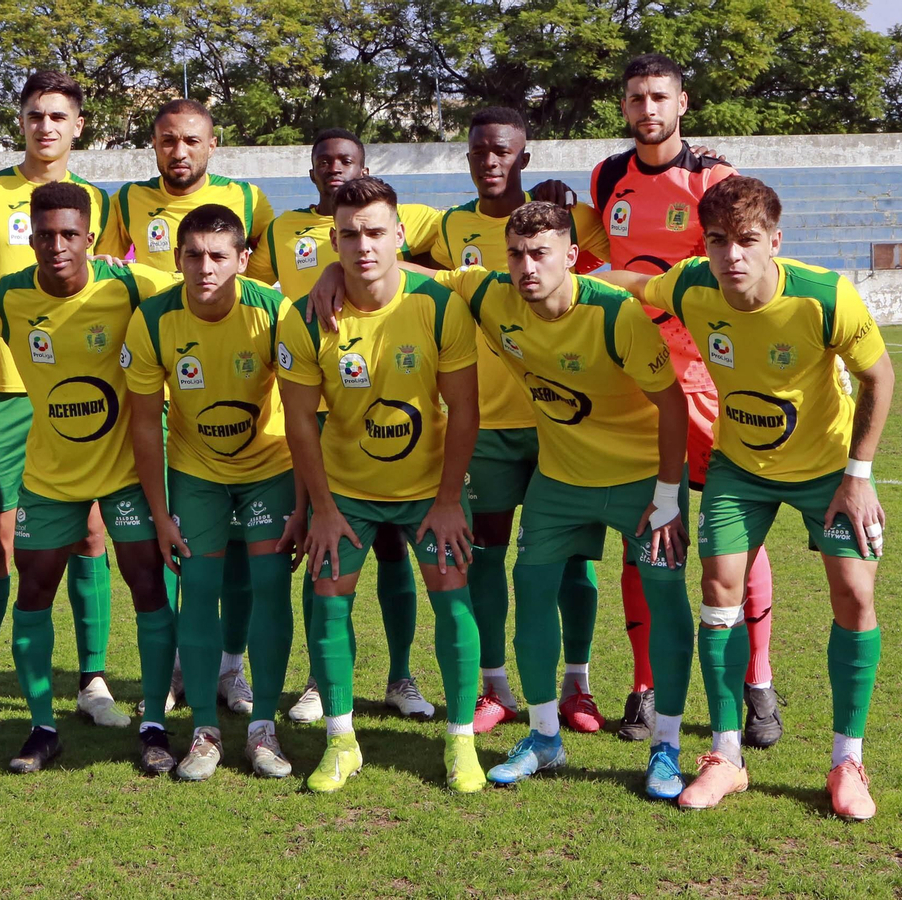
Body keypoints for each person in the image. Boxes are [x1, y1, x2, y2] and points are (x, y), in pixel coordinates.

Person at [607, 176, 894, 819]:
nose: (732, 256)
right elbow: (629, 282)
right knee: (718, 591)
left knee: (855, 594)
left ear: (774, 241)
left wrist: (858, 474)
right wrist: (555, 277)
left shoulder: (824, 296)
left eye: (747, 240)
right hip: (740, 468)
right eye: (717, 241)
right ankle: (727, 755)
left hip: (829, 472)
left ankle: (847, 760)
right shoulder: (691, 286)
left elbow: (880, 376)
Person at [405, 202, 697, 796]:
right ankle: (543, 736)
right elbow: (415, 274)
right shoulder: (492, 297)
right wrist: (334, 271)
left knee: (666, 602)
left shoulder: (614, 313)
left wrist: (669, 494)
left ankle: (666, 744)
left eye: (540, 254)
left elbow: (673, 405)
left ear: (570, 256)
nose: (526, 266)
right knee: (531, 591)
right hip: (560, 482)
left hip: (643, 485)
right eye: (516, 254)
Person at [546, 52, 784, 749]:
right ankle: (646, 685)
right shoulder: (608, 177)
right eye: (635, 98)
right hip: (632, 376)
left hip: (709, 376)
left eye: (659, 97)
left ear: (683, 103)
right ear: (623, 107)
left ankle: (759, 680)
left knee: (732, 526)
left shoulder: (714, 176)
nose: (647, 109)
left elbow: (730, 270)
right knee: (642, 530)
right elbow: (587, 255)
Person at [0, 182, 184, 775]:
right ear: (28, 239)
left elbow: (211, 284)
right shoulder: (8, 295)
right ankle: (41, 727)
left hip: (126, 473)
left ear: (91, 237)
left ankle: (156, 725)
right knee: (32, 590)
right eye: (44, 236)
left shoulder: (133, 284)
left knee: (147, 585)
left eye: (69, 235)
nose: (56, 246)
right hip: (50, 476)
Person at [276, 177, 487, 794]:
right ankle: (341, 740)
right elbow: (298, 421)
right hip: (344, 489)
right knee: (328, 600)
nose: (362, 245)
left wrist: (449, 500)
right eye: (348, 234)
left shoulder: (439, 305)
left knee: (453, 601)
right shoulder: (305, 316)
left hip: (428, 488)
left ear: (399, 235)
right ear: (333, 242)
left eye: (374, 232)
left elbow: (465, 412)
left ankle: (460, 741)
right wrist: (320, 507)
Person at [0, 71, 125, 730]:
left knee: (91, 530)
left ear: (78, 126)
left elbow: (118, 284)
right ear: (21, 121)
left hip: (88, 395)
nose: (46, 127)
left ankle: (93, 679)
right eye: (35, 115)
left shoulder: (100, 200)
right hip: (6, 391)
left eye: (58, 116)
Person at [413, 107, 604, 737]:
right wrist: (338, 266)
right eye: (477, 153)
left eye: (500, 152)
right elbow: (416, 270)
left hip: (563, 426)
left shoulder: (568, 219)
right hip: (488, 428)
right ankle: (494, 686)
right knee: (486, 556)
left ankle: (577, 685)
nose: (488, 162)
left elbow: (616, 259)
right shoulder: (448, 226)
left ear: (524, 157)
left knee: (574, 561)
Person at [245, 127, 443, 723]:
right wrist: (324, 273)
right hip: (319, 393)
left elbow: (447, 261)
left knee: (391, 550)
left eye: (346, 161)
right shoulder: (281, 228)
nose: (334, 168)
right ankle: (318, 679)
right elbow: (254, 285)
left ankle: (401, 676)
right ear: (309, 172)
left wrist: (340, 268)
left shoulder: (406, 217)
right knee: (322, 539)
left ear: (363, 167)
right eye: (323, 161)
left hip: (387, 394)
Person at [103, 98, 277, 716]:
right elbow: (105, 271)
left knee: (252, 571)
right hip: (182, 420)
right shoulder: (126, 207)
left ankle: (237, 678)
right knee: (193, 567)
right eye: (167, 140)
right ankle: (190, 672)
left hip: (258, 440)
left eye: (192, 140)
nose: (179, 151)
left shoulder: (253, 210)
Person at [125, 204, 299, 780]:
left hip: (268, 468)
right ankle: (203, 730)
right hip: (196, 473)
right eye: (193, 255)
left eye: (219, 255)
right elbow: (146, 425)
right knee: (197, 589)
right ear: (176, 258)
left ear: (243, 260)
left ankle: (262, 728)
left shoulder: (275, 312)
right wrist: (159, 510)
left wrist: (304, 500)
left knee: (271, 587)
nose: (205, 267)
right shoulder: (153, 319)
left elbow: (304, 414)